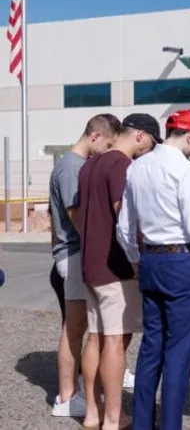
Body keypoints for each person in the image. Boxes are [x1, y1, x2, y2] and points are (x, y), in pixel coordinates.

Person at [117, 109, 190, 430]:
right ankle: (170, 424)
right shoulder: (185, 170)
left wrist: (136, 261)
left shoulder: (137, 167)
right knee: (179, 351)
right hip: (182, 262)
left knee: (151, 346)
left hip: (151, 260)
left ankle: (143, 423)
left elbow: (125, 228)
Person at [78, 113, 159, 430]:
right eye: (151, 142)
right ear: (140, 135)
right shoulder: (120, 165)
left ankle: (92, 412)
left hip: (90, 264)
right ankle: (114, 417)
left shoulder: (90, 165)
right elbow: (124, 216)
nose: (150, 150)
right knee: (115, 341)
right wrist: (139, 256)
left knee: (95, 338)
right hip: (116, 266)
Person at [48, 114, 121, 418]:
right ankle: (67, 397)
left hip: (74, 254)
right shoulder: (71, 168)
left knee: (79, 327)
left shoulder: (73, 165)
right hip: (75, 254)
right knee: (75, 327)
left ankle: (74, 391)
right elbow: (76, 216)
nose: (107, 152)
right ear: (95, 136)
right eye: (107, 144)